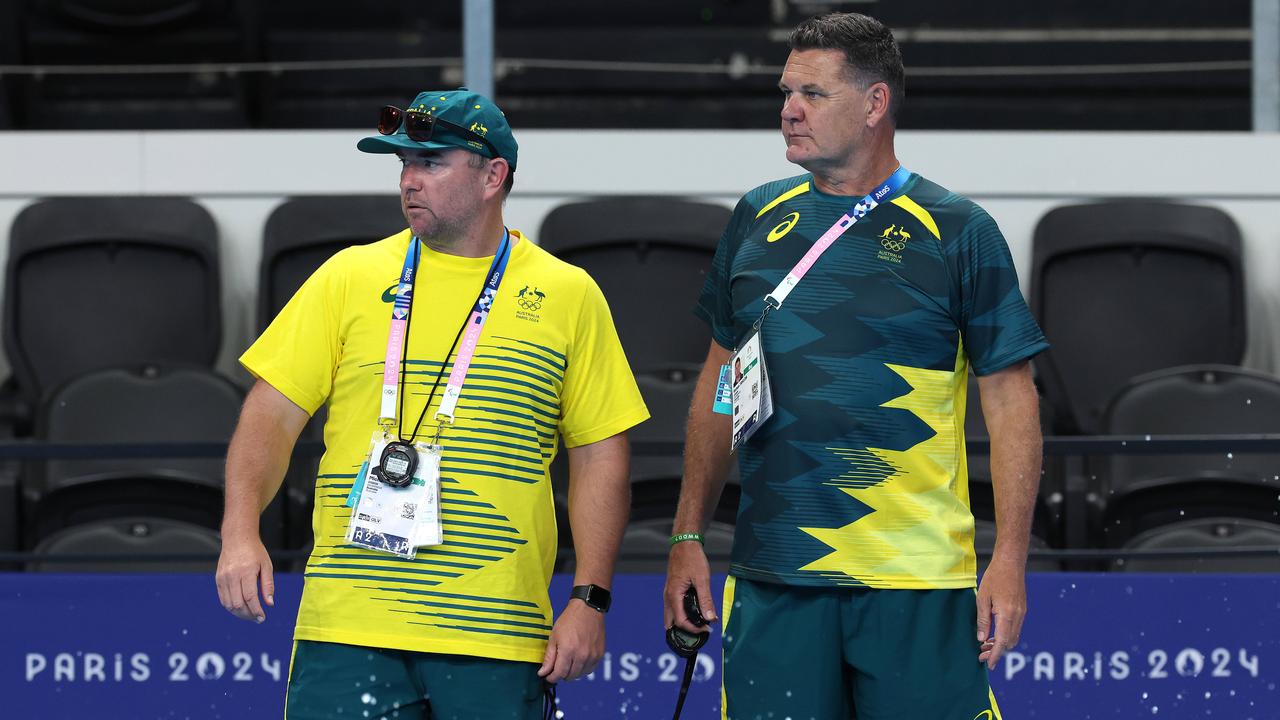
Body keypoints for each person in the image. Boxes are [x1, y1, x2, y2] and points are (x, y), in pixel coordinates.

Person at [215, 88, 649, 720]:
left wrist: (591, 598)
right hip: (348, 626)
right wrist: (238, 532)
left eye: (431, 162)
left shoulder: (566, 293)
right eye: (403, 165)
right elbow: (271, 417)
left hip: (496, 631)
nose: (409, 181)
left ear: (493, 176)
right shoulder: (348, 275)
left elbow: (599, 454)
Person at [663, 13, 1048, 719]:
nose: (788, 111)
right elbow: (722, 385)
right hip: (772, 576)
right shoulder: (755, 217)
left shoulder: (958, 230)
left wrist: (1010, 560)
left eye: (812, 93)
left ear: (875, 105)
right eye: (785, 92)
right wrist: (688, 533)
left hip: (915, 580)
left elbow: (1011, 401)